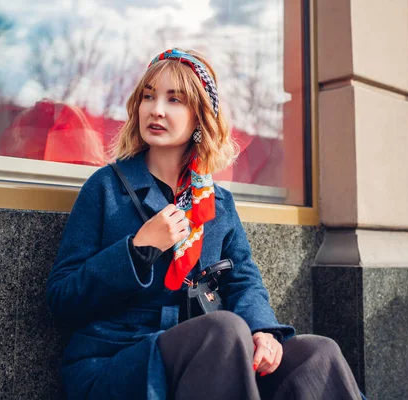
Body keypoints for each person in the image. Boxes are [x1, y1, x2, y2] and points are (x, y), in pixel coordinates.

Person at [46, 48, 364, 400]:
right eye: (148, 96)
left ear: (200, 118)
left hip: (213, 357)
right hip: (119, 361)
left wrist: (263, 332)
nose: (157, 109)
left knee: (317, 354)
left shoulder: (218, 203)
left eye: (175, 99)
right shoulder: (105, 188)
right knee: (224, 331)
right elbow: (62, 299)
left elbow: (243, 280)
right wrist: (138, 250)